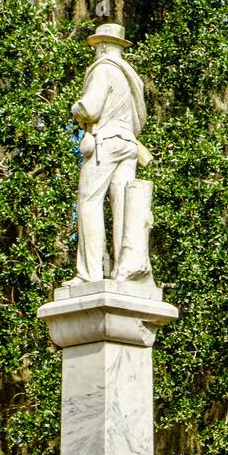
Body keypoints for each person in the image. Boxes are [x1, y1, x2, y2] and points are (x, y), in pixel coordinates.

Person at [68, 23, 151, 283]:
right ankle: (123, 271)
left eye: (96, 47)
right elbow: (140, 120)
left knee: (89, 204)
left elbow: (90, 108)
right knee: (124, 208)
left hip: (105, 143)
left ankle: (89, 274)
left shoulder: (103, 70)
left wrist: (76, 109)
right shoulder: (130, 77)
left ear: (103, 47)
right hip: (128, 145)